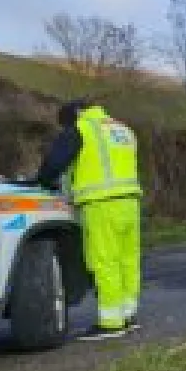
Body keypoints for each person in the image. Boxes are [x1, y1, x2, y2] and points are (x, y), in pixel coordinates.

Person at [36, 99, 142, 338]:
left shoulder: (82, 128)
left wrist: (42, 181)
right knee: (128, 259)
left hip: (101, 203)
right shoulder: (122, 129)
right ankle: (128, 315)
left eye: (65, 125)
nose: (65, 130)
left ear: (75, 115)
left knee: (105, 260)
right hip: (130, 201)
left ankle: (111, 323)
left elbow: (53, 165)